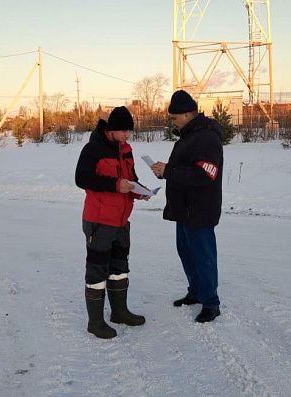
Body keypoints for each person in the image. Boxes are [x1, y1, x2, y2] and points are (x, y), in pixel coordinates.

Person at [151, 90, 223, 323]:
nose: (172, 121)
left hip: (200, 210)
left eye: (174, 117)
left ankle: (211, 302)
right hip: (184, 209)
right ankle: (196, 292)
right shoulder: (188, 136)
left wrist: (169, 171)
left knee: (203, 256)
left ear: (187, 114)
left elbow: (206, 174)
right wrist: (165, 171)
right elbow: (183, 168)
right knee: (187, 253)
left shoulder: (207, 137)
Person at [75, 106, 147, 339]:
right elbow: (82, 178)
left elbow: (131, 178)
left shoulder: (126, 150)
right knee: (97, 270)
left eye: (129, 131)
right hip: (99, 219)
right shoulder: (93, 149)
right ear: (113, 129)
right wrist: (116, 184)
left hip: (121, 220)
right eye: (125, 130)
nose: (128, 135)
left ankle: (120, 312)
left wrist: (139, 191)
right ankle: (95, 322)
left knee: (119, 267)